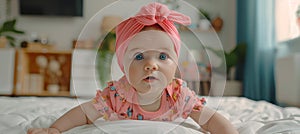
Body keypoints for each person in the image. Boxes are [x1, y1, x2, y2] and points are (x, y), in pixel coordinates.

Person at [27, 2, 238, 134]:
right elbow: (83, 114)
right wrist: (54, 129)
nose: (151, 65)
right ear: (123, 64)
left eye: (163, 56)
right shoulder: (117, 94)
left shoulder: (178, 95)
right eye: (139, 56)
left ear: (175, 62)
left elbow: (211, 121)